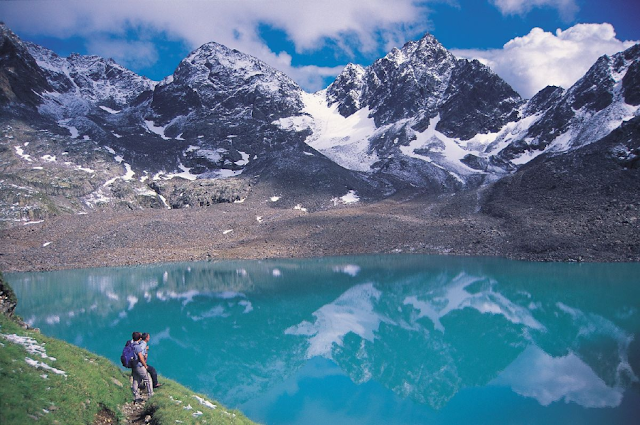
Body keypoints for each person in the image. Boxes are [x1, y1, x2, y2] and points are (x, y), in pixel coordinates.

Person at [130, 331, 153, 404]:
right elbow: (141, 357)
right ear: (139, 338)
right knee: (148, 379)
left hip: (133, 365)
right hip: (139, 365)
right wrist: (145, 365)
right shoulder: (138, 347)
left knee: (136, 380)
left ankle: (136, 396)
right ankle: (151, 395)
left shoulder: (132, 345)